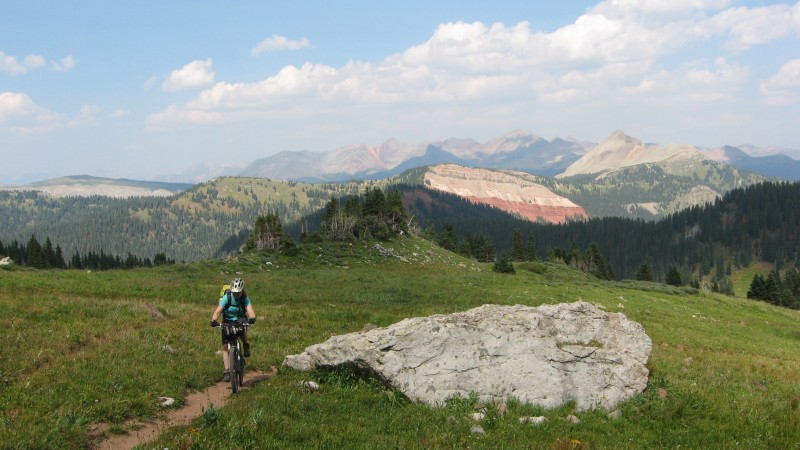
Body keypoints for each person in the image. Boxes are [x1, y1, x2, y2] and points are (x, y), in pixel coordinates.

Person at [210, 277, 256, 382]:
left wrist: (252, 318)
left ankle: (245, 344)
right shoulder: (227, 297)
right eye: (234, 293)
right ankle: (227, 371)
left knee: (243, 329)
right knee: (225, 346)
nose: (236, 295)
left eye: (238, 293)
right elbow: (218, 311)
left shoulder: (245, 298)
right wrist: (213, 320)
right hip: (228, 320)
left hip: (240, 318)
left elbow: (250, 311)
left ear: (242, 291)